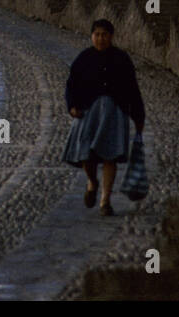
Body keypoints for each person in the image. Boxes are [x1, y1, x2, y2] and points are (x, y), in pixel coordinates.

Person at [62, 18, 145, 216]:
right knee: (86, 155)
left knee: (110, 157)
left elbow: (132, 89)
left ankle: (105, 201)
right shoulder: (83, 59)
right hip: (88, 113)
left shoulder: (121, 59)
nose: (101, 39)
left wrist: (138, 116)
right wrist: (72, 106)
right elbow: (71, 84)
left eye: (104, 35)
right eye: (97, 35)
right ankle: (92, 181)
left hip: (114, 113)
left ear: (111, 37)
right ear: (92, 36)